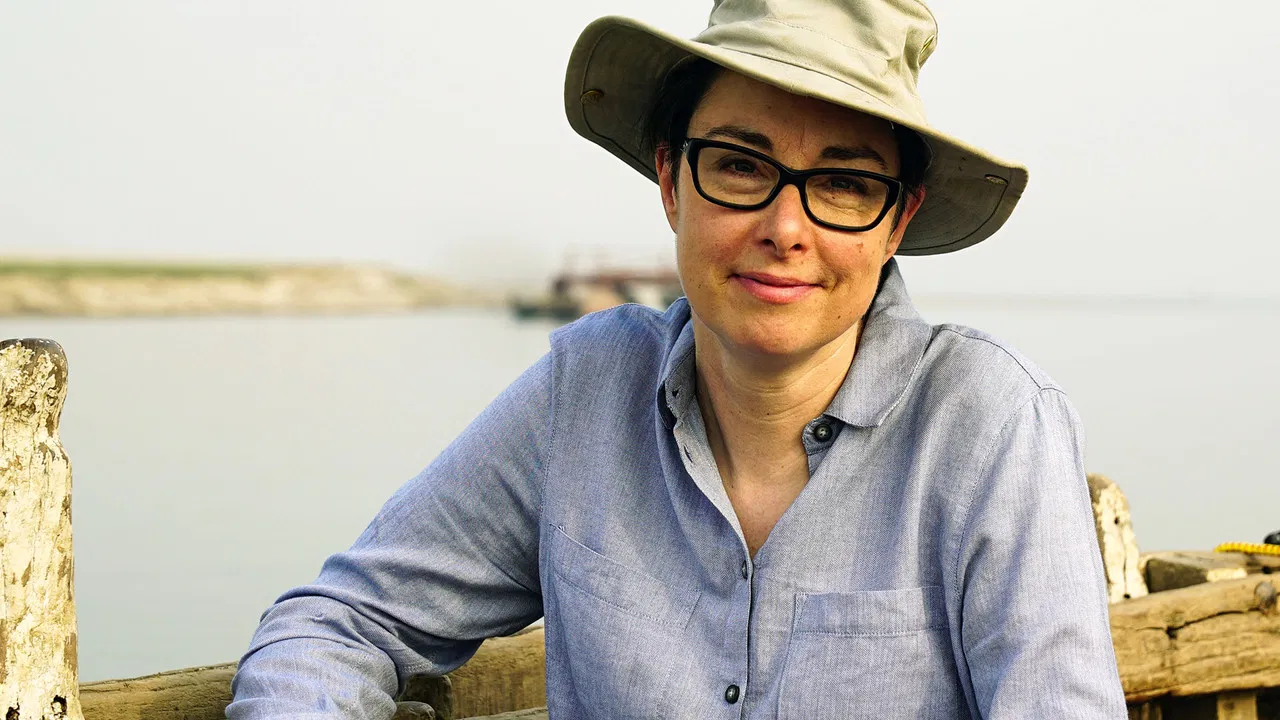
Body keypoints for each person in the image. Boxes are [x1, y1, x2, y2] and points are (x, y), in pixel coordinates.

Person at [229, 0, 1128, 717]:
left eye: (845, 184)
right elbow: (341, 623)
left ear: (895, 221)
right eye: (740, 166)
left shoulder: (991, 426)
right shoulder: (586, 391)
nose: (785, 228)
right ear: (670, 181)